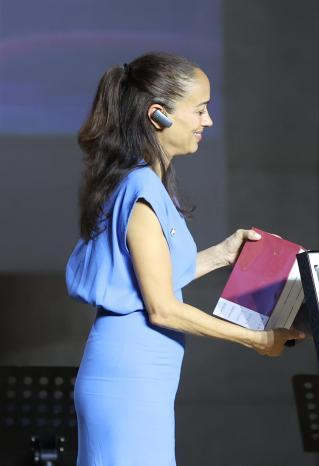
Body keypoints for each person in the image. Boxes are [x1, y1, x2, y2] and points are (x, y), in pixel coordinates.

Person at [65, 53, 304, 466]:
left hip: (139, 379)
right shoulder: (141, 188)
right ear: (158, 115)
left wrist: (224, 253)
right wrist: (256, 339)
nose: (207, 121)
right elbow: (162, 307)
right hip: (129, 381)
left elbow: (155, 278)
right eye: (199, 109)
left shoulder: (142, 182)